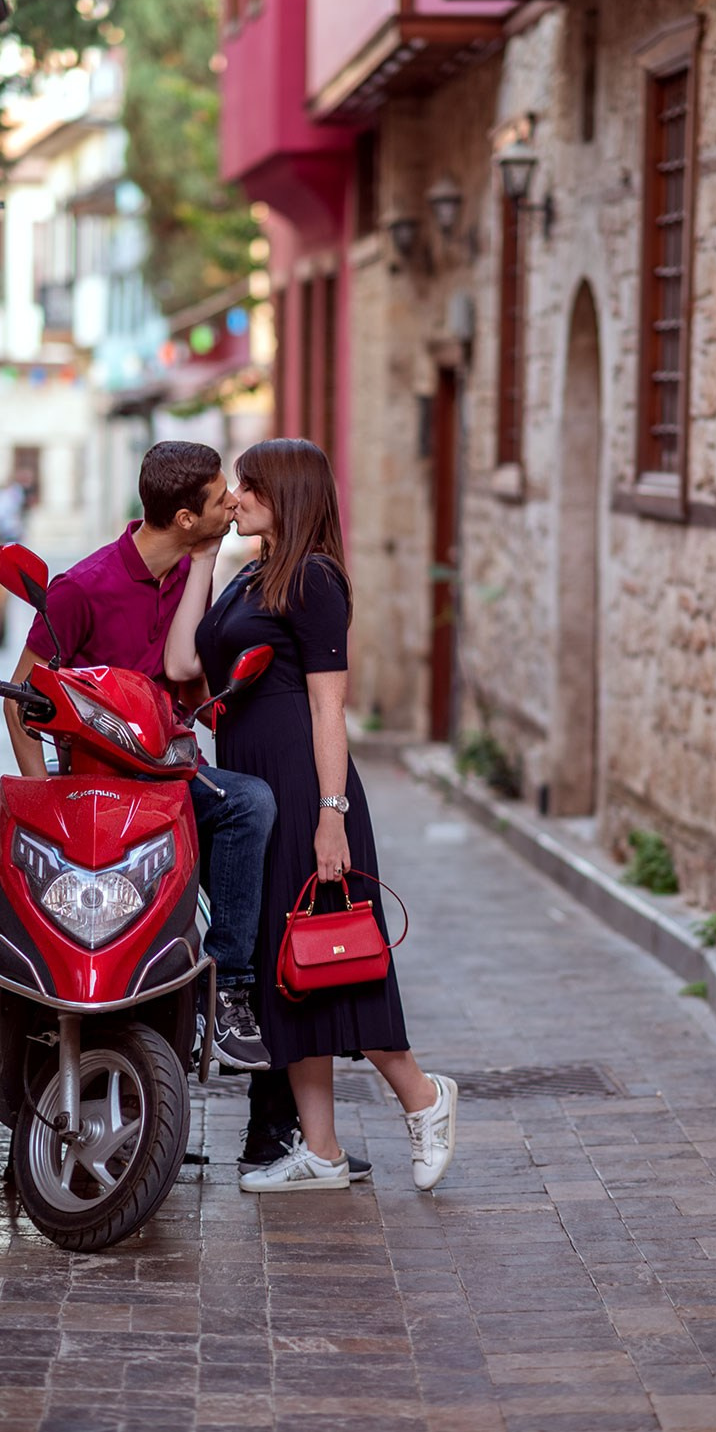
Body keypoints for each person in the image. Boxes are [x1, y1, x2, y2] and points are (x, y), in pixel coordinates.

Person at [164, 437, 458, 1193]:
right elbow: (182, 667)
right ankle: (321, 1152)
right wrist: (201, 551)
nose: (236, 496)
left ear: (284, 494)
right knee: (283, 968)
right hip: (252, 783)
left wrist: (333, 814)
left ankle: (425, 1101)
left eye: (249, 487)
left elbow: (331, 708)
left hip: (303, 781)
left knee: (341, 958)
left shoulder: (316, 579)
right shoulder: (249, 573)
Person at [2, 440, 274, 1073]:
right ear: (185, 519)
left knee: (251, 803)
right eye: (220, 496)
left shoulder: (192, 572)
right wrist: (44, 793)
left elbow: (190, 680)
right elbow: (22, 701)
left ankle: (227, 987)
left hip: (172, 780)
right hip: (96, 790)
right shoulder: (81, 589)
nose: (232, 501)